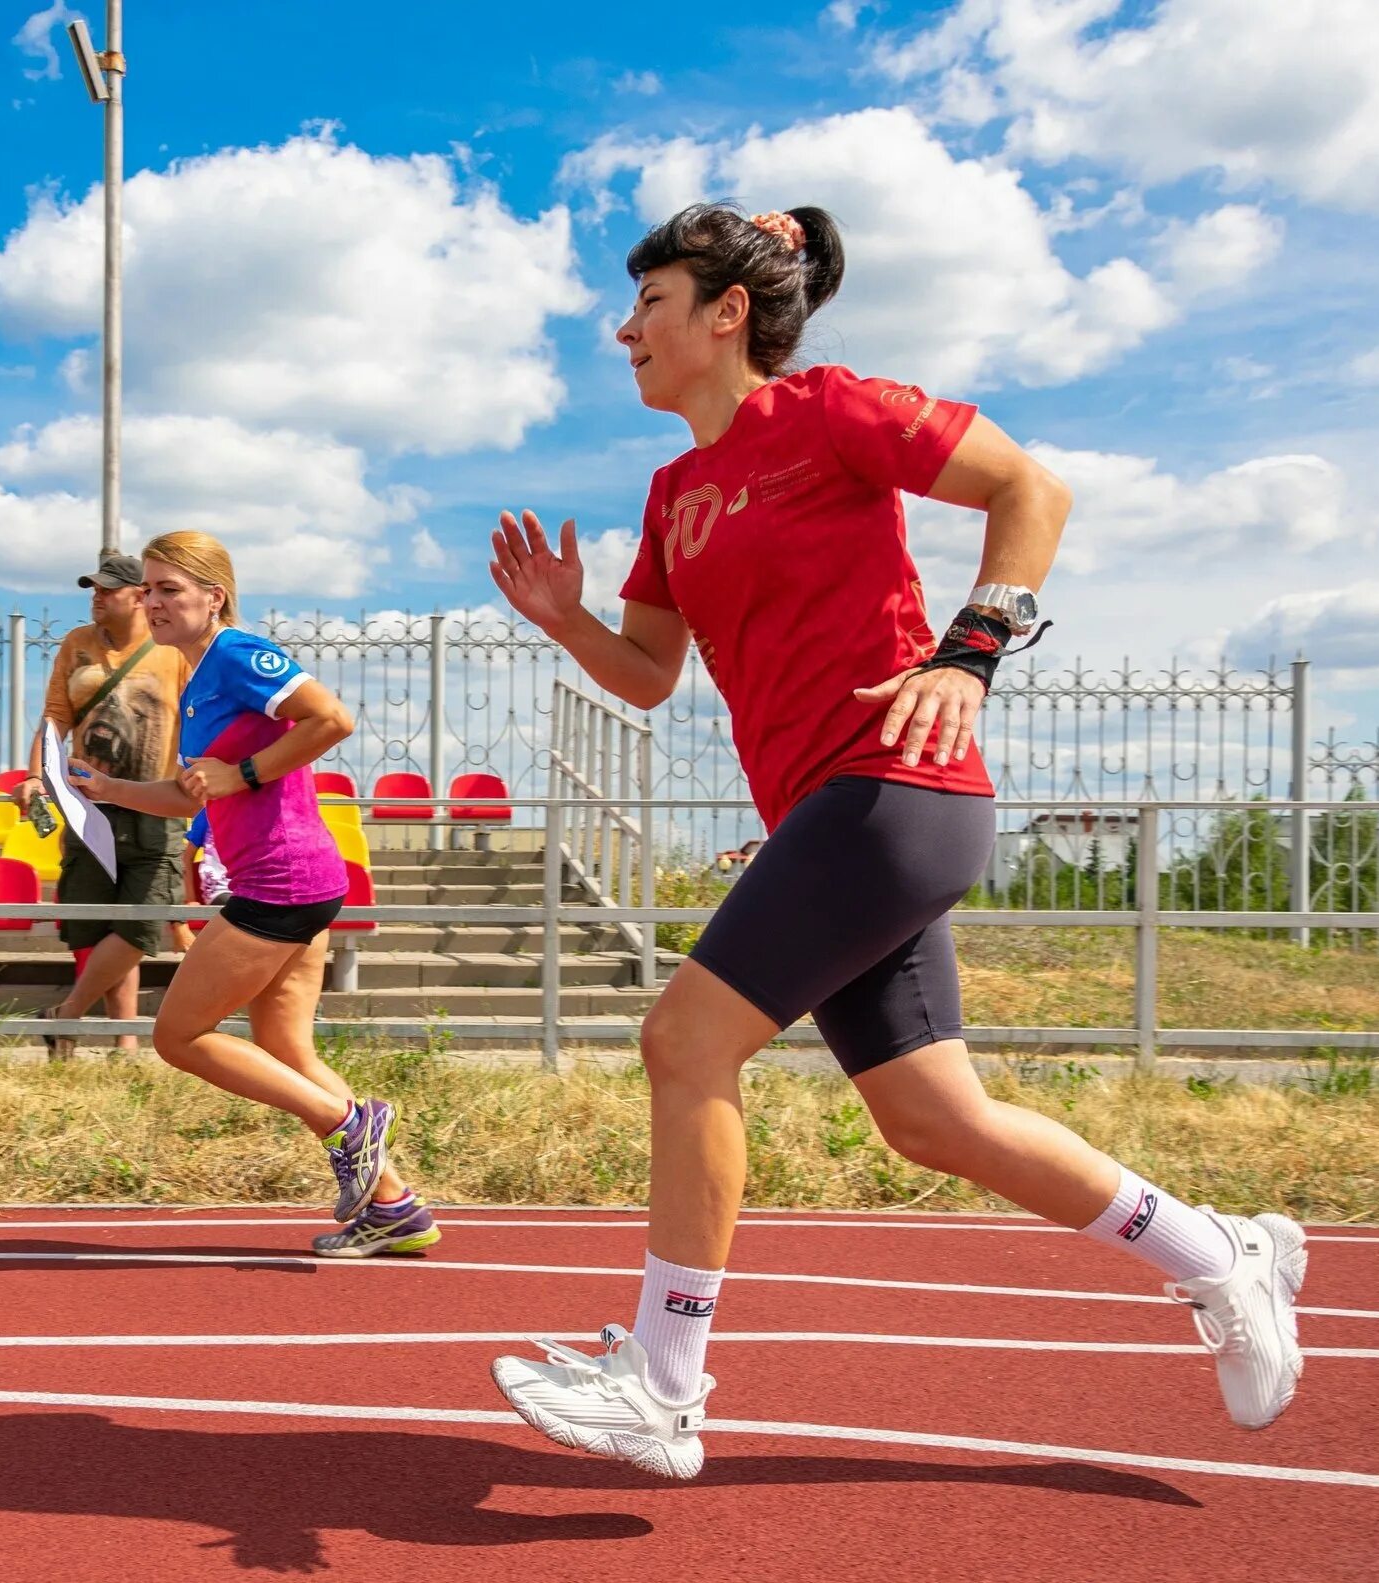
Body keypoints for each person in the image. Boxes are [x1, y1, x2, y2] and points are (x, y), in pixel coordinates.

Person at [484, 203, 1304, 1479]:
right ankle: (1219, 1253)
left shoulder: (829, 410)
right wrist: (563, 620)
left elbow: (1031, 486)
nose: (624, 327)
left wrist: (970, 654)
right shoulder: (672, 490)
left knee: (683, 1039)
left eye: (649, 303)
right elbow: (648, 674)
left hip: (896, 787)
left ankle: (663, 1378)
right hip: (822, 815)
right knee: (933, 1116)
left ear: (725, 313)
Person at [71, 530, 441, 1258]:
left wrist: (246, 772)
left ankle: (351, 1125)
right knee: (282, 1044)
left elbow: (330, 717)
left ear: (216, 596)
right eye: (147, 589)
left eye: (169, 587)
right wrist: (110, 789)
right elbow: (194, 794)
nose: (153, 600)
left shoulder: (238, 654)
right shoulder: (194, 676)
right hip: (291, 879)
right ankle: (393, 1206)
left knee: (178, 1036)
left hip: (283, 880)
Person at [26, 551, 192, 1058]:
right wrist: (35, 776)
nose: (95, 597)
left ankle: (67, 1016)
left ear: (139, 595)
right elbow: (56, 716)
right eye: (93, 589)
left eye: (106, 589)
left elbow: (197, 719)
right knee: (94, 925)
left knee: (140, 927)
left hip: (155, 806)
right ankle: (124, 1043)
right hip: (86, 807)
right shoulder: (76, 645)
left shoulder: (175, 650)